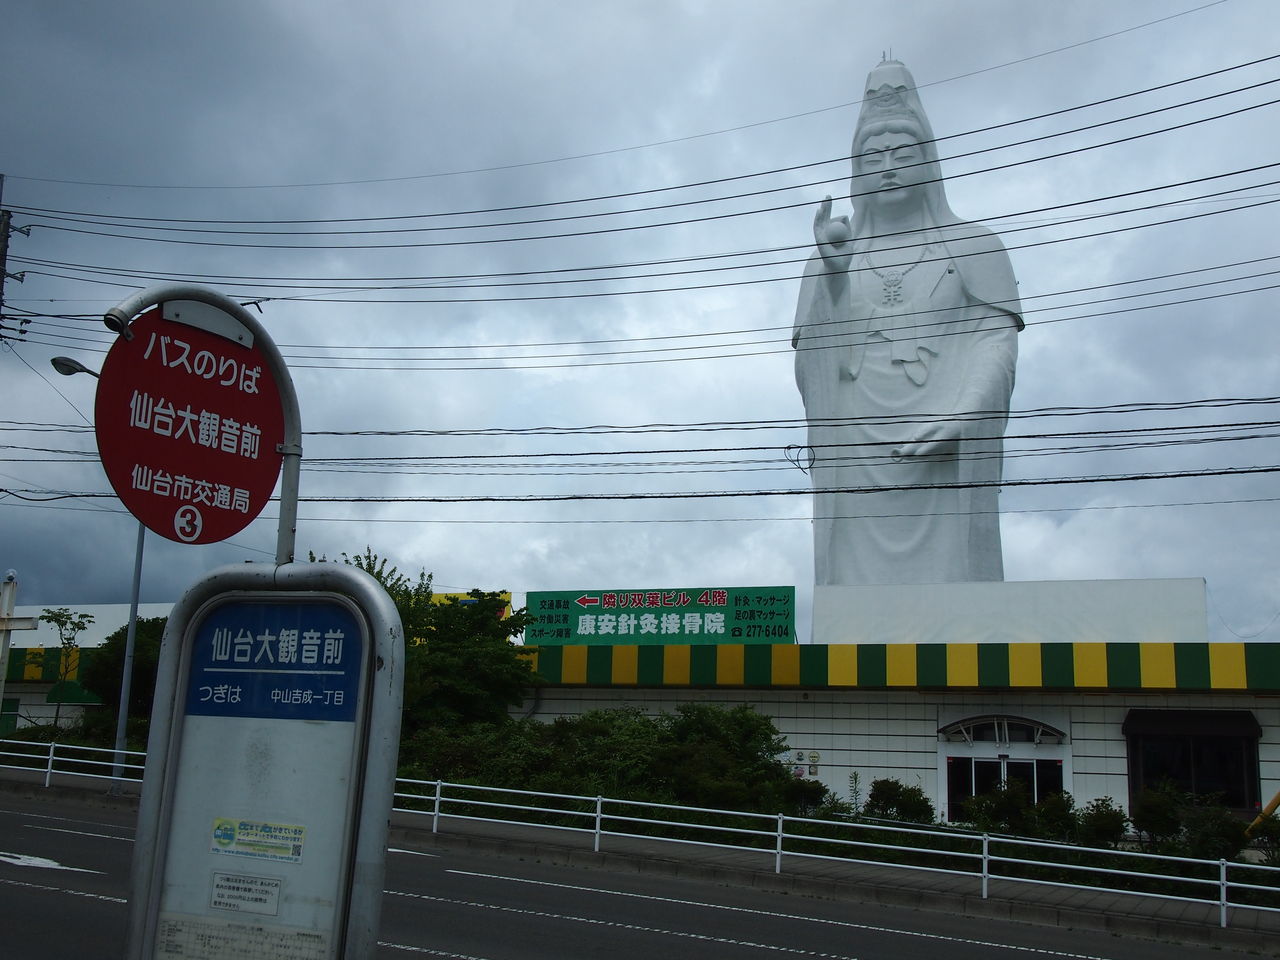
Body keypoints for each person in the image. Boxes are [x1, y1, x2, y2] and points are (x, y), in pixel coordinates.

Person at [792, 60, 1023, 586]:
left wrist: (967, 412)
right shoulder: (829, 255)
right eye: (873, 156)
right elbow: (813, 364)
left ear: (929, 160)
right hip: (856, 455)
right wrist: (834, 279)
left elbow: (995, 342)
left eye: (903, 153)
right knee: (857, 593)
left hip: (942, 449)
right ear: (856, 168)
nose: (888, 166)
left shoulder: (974, 245)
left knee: (953, 586)